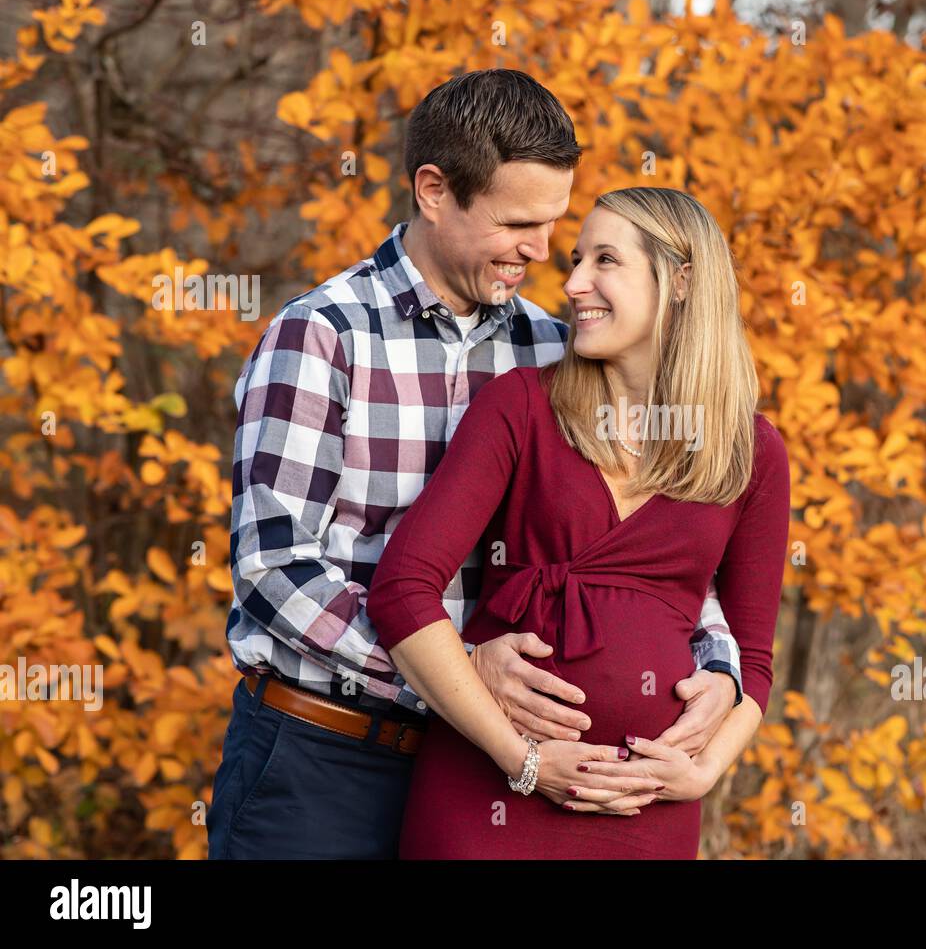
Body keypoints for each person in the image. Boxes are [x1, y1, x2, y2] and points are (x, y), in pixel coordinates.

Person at [208, 71, 746, 860]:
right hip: (322, 755)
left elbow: (647, 550)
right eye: (518, 223)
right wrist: (455, 670)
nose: (542, 251)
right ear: (434, 189)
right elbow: (274, 568)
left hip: (483, 779)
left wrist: (720, 674)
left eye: (554, 223)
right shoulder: (323, 336)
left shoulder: (557, 350)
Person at [368, 187, 790, 859]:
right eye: (573, 259)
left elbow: (756, 659)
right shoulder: (521, 408)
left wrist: (704, 771)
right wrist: (523, 759)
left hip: (645, 811)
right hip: (489, 797)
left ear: (680, 281)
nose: (572, 284)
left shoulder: (751, 453)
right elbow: (401, 589)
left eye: (604, 261)